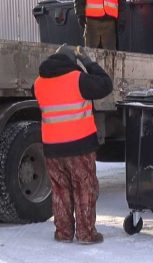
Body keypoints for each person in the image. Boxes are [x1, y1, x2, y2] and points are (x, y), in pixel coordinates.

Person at [33, 44, 113, 244]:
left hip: (52, 149)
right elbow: (106, 85)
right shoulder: (78, 80)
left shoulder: (38, 84)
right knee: (84, 188)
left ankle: (64, 233)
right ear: (72, 62)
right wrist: (88, 62)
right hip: (79, 147)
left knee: (60, 191)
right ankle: (86, 234)